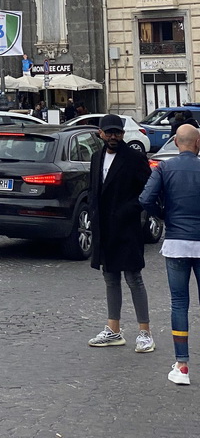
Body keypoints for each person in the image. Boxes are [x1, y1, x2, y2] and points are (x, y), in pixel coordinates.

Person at [88, 113, 154, 353]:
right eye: (109, 132)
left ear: (123, 134)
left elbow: (148, 191)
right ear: (101, 134)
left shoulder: (135, 158)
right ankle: (113, 329)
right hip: (104, 228)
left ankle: (144, 332)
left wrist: (129, 210)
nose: (113, 136)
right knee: (110, 277)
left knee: (134, 278)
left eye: (117, 132)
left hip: (127, 228)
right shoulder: (96, 157)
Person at [139, 123, 200, 385]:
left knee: (179, 303)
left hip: (176, 241)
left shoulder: (164, 168)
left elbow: (144, 200)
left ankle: (182, 365)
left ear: (176, 142)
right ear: (198, 144)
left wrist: (165, 215)